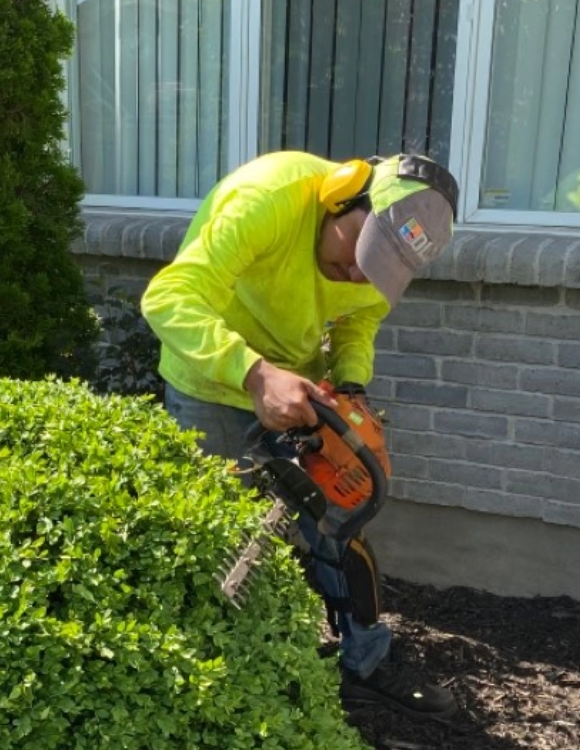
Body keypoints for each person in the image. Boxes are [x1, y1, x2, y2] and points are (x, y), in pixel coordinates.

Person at [140, 150, 459, 720]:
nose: (361, 274)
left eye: (379, 268)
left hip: (301, 390)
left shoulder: (369, 270)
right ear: (342, 197)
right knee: (212, 539)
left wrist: (352, 386)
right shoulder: (268, 199)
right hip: (211, 381)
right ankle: (211, 688)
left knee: (341, 518)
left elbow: (360, 320)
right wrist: (253, 373)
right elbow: (168, 298)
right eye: (359, 253)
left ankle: (362, 661)